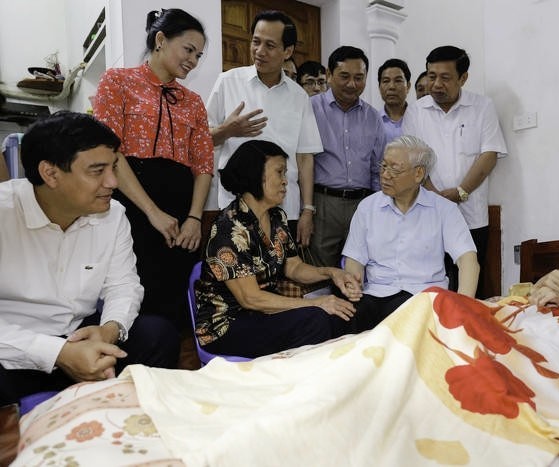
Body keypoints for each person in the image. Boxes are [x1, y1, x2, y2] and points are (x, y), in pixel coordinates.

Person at [0, 112, 179, 406]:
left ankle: (133, 426)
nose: (112, 181)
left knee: (157, 335)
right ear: (51, 174)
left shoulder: (113, 215)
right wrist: (57, 353)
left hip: (82, 338)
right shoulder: (5, 213)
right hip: (16, 352)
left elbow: (124, 286)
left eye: (114, 168)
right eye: (97, 171)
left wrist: (109, 330)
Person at [92, 8, 214, 329]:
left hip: (181, 215)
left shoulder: (193, 101)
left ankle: (170, 372)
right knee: (133, 295)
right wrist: (151, 211)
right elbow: (110, 151)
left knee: (176, 301)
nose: (193, 61)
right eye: (189, 50)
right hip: (131, 207)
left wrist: (194, 218)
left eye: (199, 55)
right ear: (160, 40)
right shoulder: (117, 81)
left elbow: (203, 165)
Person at [195, 140, 362, 358]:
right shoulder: (230, 229)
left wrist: (332, 272)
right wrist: (317, 303)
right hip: (228, 325)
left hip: (265, 314)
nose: (286, 181)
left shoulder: (277, 217)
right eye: (280, 172)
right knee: (316, 321)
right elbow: (251, 299)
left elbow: (293, 267)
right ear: (255, 175)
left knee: (343, 315)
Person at [340, 135, 479, 333]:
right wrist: (353, 282)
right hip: (376, 295)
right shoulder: (367, 207)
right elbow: (355, 260)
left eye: (394, 169)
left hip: (424, 298)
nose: (385, 175)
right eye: (384, 166)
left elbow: (468, 260)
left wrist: (464, 305)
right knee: (340, 321)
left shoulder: (444, 210)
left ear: (418, 174)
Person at [207, 10, 322, 247]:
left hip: (284, 209)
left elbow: (304, 157)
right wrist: (228, 130)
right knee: (237, 277)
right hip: (235, 206)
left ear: (287, 51)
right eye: (255, 42)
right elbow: (201, 139)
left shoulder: (299, 96)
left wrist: (307, 210)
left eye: (270, 45)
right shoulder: (228, 82)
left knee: (281, 277)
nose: (259, 51)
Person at [403, 46, 507, 296]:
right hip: (428, 214)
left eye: (445, 77)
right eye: (431, 76)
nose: (436, 84)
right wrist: (435, 197)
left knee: (469, 286)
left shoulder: (482, 107)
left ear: (463, 78)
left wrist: (460, 192)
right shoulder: (416, 111)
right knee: (433, 285)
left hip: (472, 216)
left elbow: (488, 155)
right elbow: (412, 158)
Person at [310, 46, 387, 268]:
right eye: (344, 76)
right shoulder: (311, 109)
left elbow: (378, 168)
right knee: (321, 271)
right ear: (329, 74)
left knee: (361, 269)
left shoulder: (373, 117)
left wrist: (379, 209)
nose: (352, 84)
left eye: (359, 78)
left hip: (363, 204)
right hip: (323, 204)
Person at [377, 58, 411, 143]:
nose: (391, 86)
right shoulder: (373, 121)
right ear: (379, 87)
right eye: (386, 81)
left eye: (398, 81)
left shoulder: (419, 119)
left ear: (408, 86)